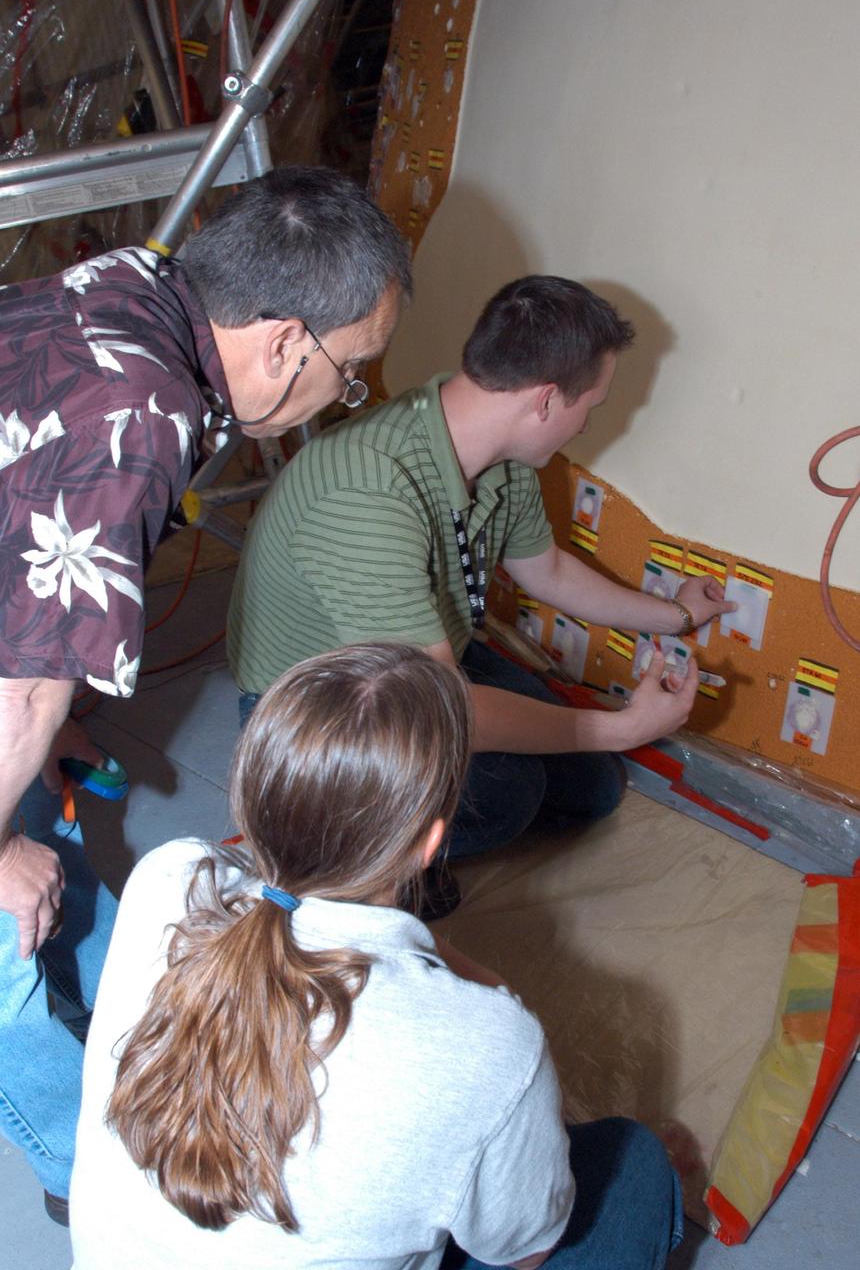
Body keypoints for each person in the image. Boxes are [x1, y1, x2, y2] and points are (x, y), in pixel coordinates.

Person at [0, 164, 412, 1221]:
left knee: (49, 812)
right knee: (0, 943)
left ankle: (90, 1005)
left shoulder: (146, 278)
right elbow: (23, 694)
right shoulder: (137, 420)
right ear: (282, 341)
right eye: (351, 368)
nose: (347, 390)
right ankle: (76, 1169)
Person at [70, 642, 683, 1269]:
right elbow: (526, 1253)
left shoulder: (168, 874)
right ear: (432, 844)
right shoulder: (490, 1045)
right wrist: (499, 1003)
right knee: (635, 1168)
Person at [226, 276, 734, 892]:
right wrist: (625, 726)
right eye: (589, 407)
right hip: (320, 708)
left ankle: (411, 827)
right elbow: (446, 709)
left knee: (591, 789)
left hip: (424, 664)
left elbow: (546, 571)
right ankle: (350, 860)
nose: (584, 425)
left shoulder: (501, 456)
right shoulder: (365, 490)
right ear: (547, 401)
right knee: (505, 797)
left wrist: (675, 616)